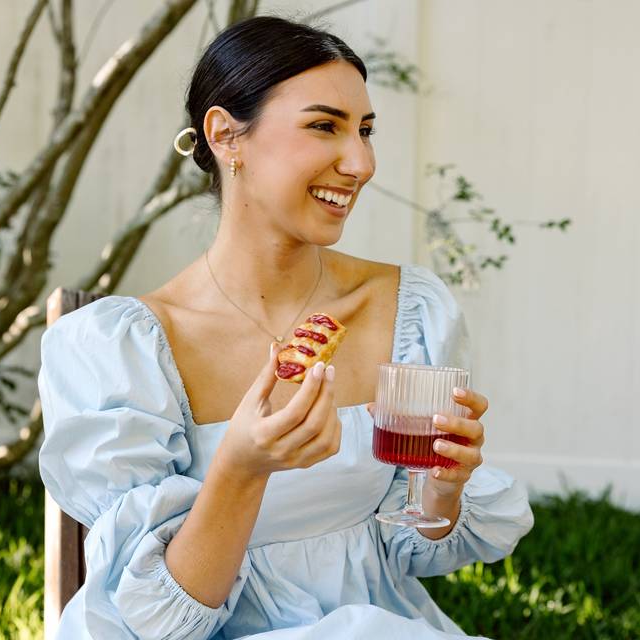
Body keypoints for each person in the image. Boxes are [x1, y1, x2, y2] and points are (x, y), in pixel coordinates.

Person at [38, 15, 533, 640]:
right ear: (226, 136)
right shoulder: (124, 350)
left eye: (366, 131)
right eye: (324, 126)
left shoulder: (408, 308)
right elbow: (158, 620)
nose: (360, 162)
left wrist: (441, 490)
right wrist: (241, 469)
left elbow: (417, 550)